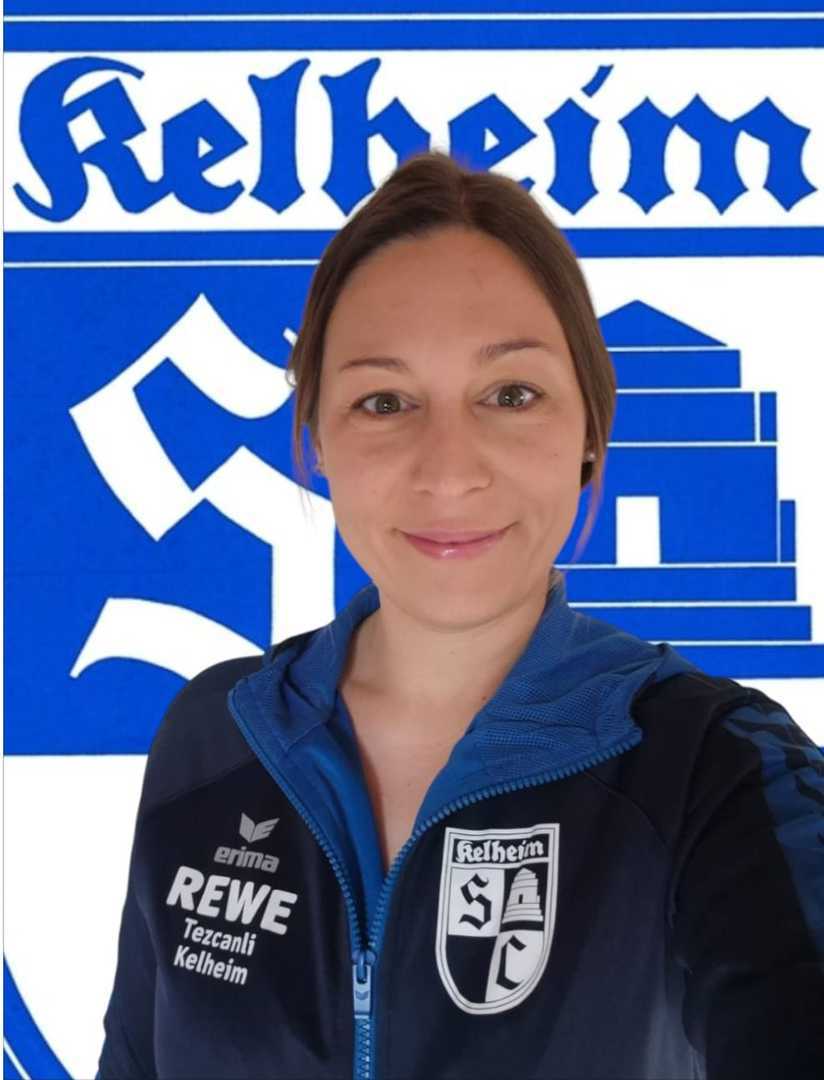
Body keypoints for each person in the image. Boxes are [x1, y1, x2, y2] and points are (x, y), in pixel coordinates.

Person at [97, 149, 824, 1080]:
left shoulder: (714, 766)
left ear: (590, 429)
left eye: (511, 395)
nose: (449, 470)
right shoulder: (216, 736)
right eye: (384, 401)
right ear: (317, 439)